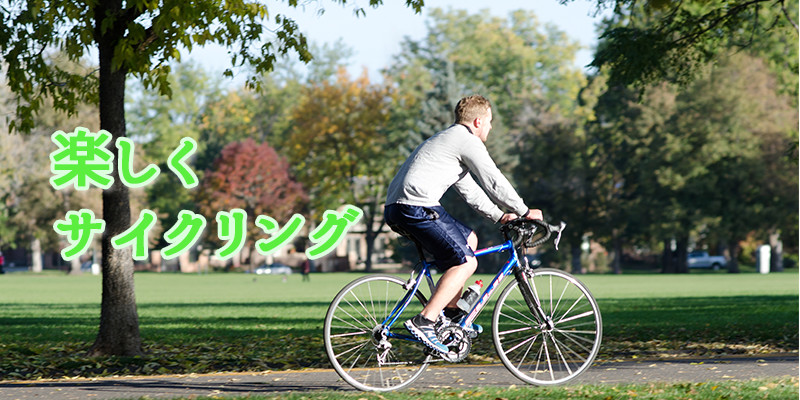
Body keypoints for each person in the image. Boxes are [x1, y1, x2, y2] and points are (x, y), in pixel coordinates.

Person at [383, 95, 543, 353]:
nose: (491, 127)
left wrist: (500, 216)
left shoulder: (449, 141)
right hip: (416, 206)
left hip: (401, 207)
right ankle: (426, 320)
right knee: (467, 262)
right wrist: (524, 210)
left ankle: (452, 315)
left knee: (469, 240)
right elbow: (494, 181)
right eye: (489, 122)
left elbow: (470, 190)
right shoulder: (466, 140)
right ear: (478, 121)